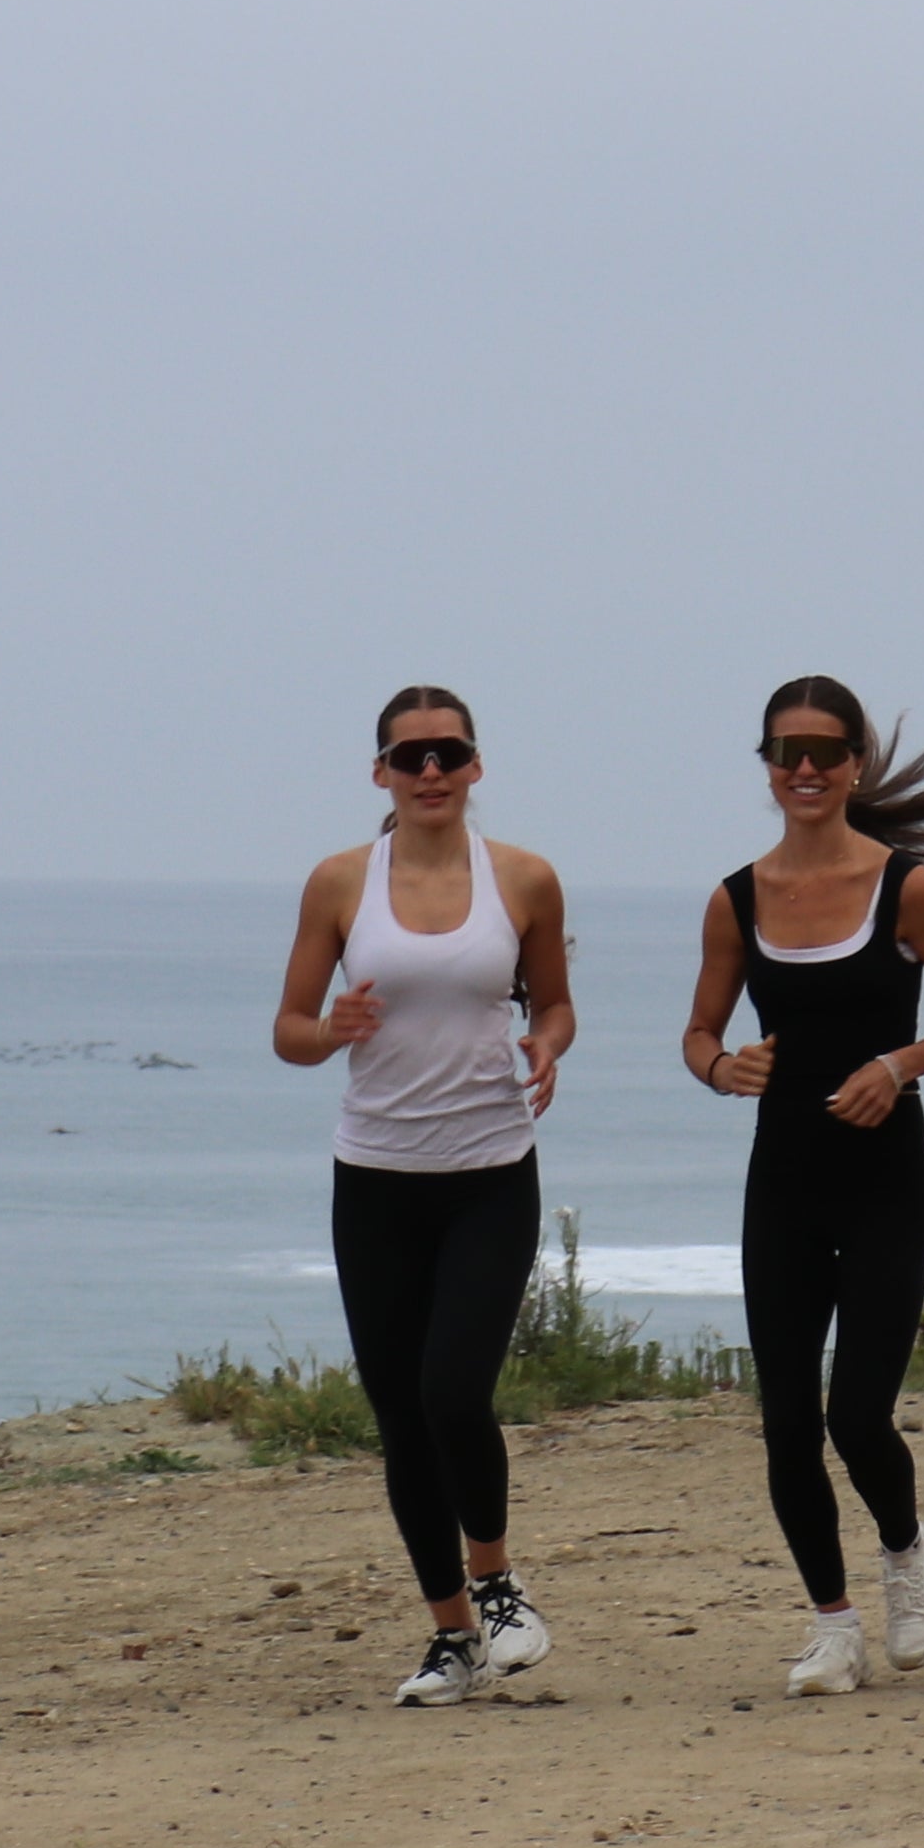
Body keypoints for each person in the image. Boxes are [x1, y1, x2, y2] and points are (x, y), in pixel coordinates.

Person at [680, 682, 924, 1699]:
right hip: (782, 1182)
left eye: (825, 751)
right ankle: (832, 1626)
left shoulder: (904, 888)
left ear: (855, 763)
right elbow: (699, 1033)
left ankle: (907, 1553)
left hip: (883, 1184)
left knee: (858, 1416)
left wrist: (897, 1067)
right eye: (788, 752)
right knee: (786, 1421)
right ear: (768, 766)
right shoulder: (737, 899)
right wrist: (720, 1067)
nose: (807, 769)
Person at [272, 686, 580, 1709]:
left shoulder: (524, 878)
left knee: (454, 1392)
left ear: (476, 765)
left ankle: (496, 1585)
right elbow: (289, 1031)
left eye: (449, 752)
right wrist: (333, 1029)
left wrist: (546, 1044)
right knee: (402, 1418)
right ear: (382, 775)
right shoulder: (338, 883)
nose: (432, 771)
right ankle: (453, 1636)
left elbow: (556, 1003)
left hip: (490, 1171)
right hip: (375, 1179)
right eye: (412, 757)